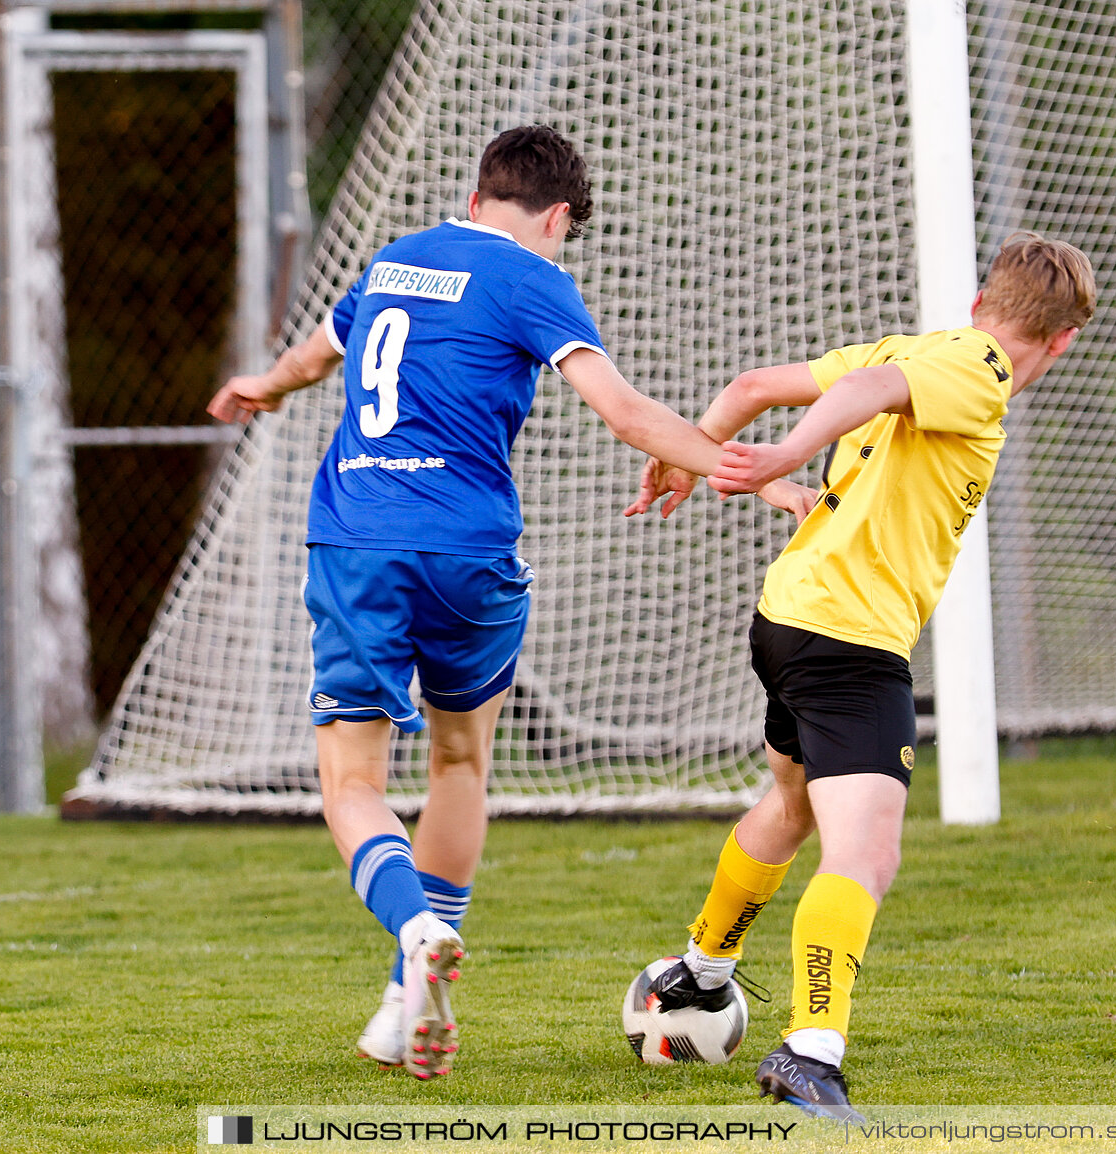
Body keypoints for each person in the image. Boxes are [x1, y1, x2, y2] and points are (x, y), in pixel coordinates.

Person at [207, 125, 805, 1079]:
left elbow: (309, 362)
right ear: (557, 216)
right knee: (460, 761)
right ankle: (412, 989)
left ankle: (412, 937)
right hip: (472, 552)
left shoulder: (393, 263)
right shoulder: (533, 279)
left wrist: (257, 389)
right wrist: (757, 473)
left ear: (480, 193)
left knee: (353, 784)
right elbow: (626, 413)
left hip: (358, 542)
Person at [624, 231, 1095, 1119]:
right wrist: (785, 458)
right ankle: (810, 1053)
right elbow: (866, 393)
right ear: (1062, 341)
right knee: (867, 853)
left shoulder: (916, 346)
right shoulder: (982, 369)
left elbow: (753, 387)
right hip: (849, 642)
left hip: (790, 620)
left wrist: (694, 455)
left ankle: (700, 969)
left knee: (794, 806)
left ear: (978, 300)